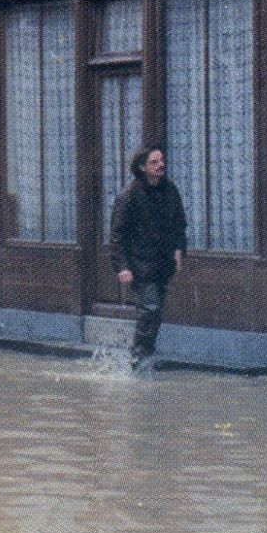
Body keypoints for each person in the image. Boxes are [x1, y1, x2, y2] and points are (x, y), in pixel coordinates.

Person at [110, 144, 188, 369]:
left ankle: (147, 353)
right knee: (150, 308)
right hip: (139, 263)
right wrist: (122, 267)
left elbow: (179, 224)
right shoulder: (129, 195)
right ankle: (137, 356)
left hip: (162, 263)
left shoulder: (169, 190)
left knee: (156, 311)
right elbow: (116, 235)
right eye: (154, 162)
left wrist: (179, 250)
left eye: (161, 161)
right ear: (142, 167)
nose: (160, 165)